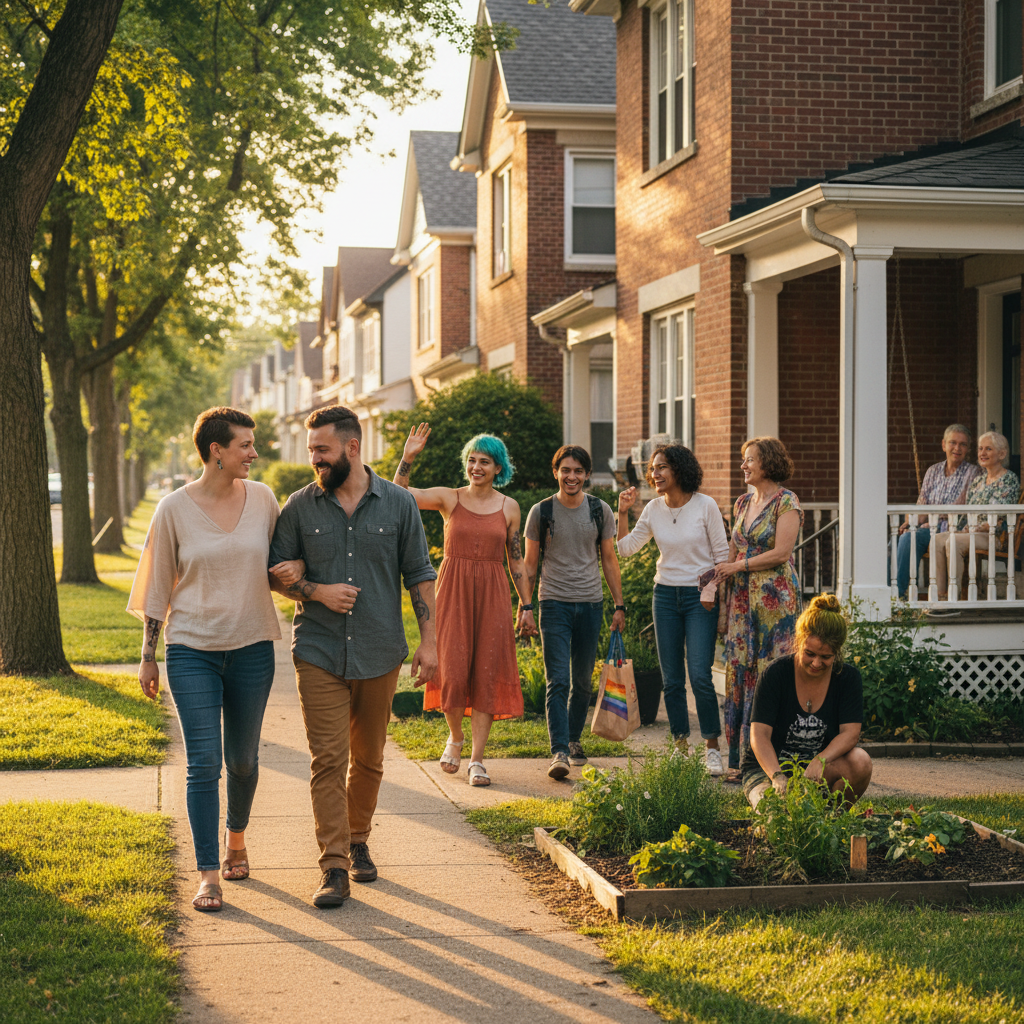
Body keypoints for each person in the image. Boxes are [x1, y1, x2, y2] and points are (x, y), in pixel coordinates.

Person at [268, 405, 438, 909]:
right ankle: (334, 865)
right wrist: (316, 591)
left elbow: (419, 574)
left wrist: (430, 643)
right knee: (327, 760)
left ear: (352, 447)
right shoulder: (299, 507)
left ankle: (358, 837)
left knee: (368, 759)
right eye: (311, 451)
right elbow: (277, 572)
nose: (315, 460)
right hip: (318, 650)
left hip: (380, 648)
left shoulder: (398, 505)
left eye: (322, 450)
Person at [128, 406, 295, 913]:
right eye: (245, 444)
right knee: (203, 765)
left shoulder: (263, 498)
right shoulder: (173, 509)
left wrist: (294, 572)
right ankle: (207, 874)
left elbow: (276, 562)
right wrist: (148, 656)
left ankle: (236, 839)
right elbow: (158, 585)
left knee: (242, 760)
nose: (254, 452)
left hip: (251, 647)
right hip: (191, 649)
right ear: (216, 451)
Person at [394, 423, 529, 787]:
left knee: (486, 668)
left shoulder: (510, 507)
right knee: (452, 667)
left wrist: (527, 605)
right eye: (472, 460)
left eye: (485, 461)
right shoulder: (449, 498)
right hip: (452, 591)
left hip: (493, 593)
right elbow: (398, 494)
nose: (476, 467)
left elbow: (516, 561)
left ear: (498, 468)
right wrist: (408, 457)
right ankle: (454, 737)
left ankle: (477, 759)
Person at [616, 443, 729, 775]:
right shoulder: (652, 509)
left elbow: (722, 558)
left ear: (679, 469)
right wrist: (623, 512)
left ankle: (711, 748)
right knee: (672, 680)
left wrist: (714, 598)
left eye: (661, 467)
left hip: (699, 598)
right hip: (664, 596)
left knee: (699, 675)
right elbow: (625, 549)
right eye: (652, 468)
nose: (655, 473)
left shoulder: (705, 505)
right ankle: (680, 745)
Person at [521, 445, 626, 780]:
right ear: (556, 473)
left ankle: (574, 738)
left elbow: (609, 560)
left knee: (581, 682)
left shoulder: (600, 510)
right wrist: (525, 607)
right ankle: (559, 751)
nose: (571, 476)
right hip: (554, 603)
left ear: (586, 474)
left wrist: (619, 605)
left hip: (591, 604)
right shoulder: (541, 512)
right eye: (565, 470)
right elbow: (530, 564)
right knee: (558, 680)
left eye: (578, 471)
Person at [715, 436, 803, 778]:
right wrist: (718, 583)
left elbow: (782, 552)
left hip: (775, 601)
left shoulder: (787, 502)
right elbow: (733, 549)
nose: (743, 465)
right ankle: (740, 761)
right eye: (743, 459)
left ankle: (775, 761)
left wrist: (737, 567)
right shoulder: (741, 503)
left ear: (767, 463)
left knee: (770, 673)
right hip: (740, 600)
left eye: (749, 459)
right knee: (740, 671)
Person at [742, 593, 872, 810]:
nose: (816, 663)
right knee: (774, 811)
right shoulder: (775, 674)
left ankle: (832, 820)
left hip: (817, 769)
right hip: (768, 770)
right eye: (809, 653)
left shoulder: (848, 677)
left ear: (837, 652)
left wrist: (820, 760)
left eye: (826, 657)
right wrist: (777, 776)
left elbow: (850, 733)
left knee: (861, 761)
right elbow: (759, 736)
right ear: (798, 641)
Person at [890, 423, 978, 598]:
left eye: (963, 444)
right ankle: (887, 590)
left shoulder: (973, 473)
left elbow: (959, 507)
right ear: (943, 445)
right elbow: (922, 504)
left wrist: (930, 519)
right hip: (927, 528)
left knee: (909, 538)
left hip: (950, 529)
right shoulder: (933, 471)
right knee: (896, 539)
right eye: (953, 443)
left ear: (968, 448)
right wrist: (910, 521)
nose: (957, 448)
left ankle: (896, 594)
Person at [931, 431, 1020, 598]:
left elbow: (997, 518)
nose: (982, 453)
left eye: (988, 449)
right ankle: (941, 596)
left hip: (994, 536)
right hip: (972, 531)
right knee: (937, 539)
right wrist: (964, 528)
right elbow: (968, 511)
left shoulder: (1009, 479)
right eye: (980, 449)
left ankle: (953, 597)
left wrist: (972, 529)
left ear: (1002, 454)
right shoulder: (978, 480)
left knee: (954, 540)